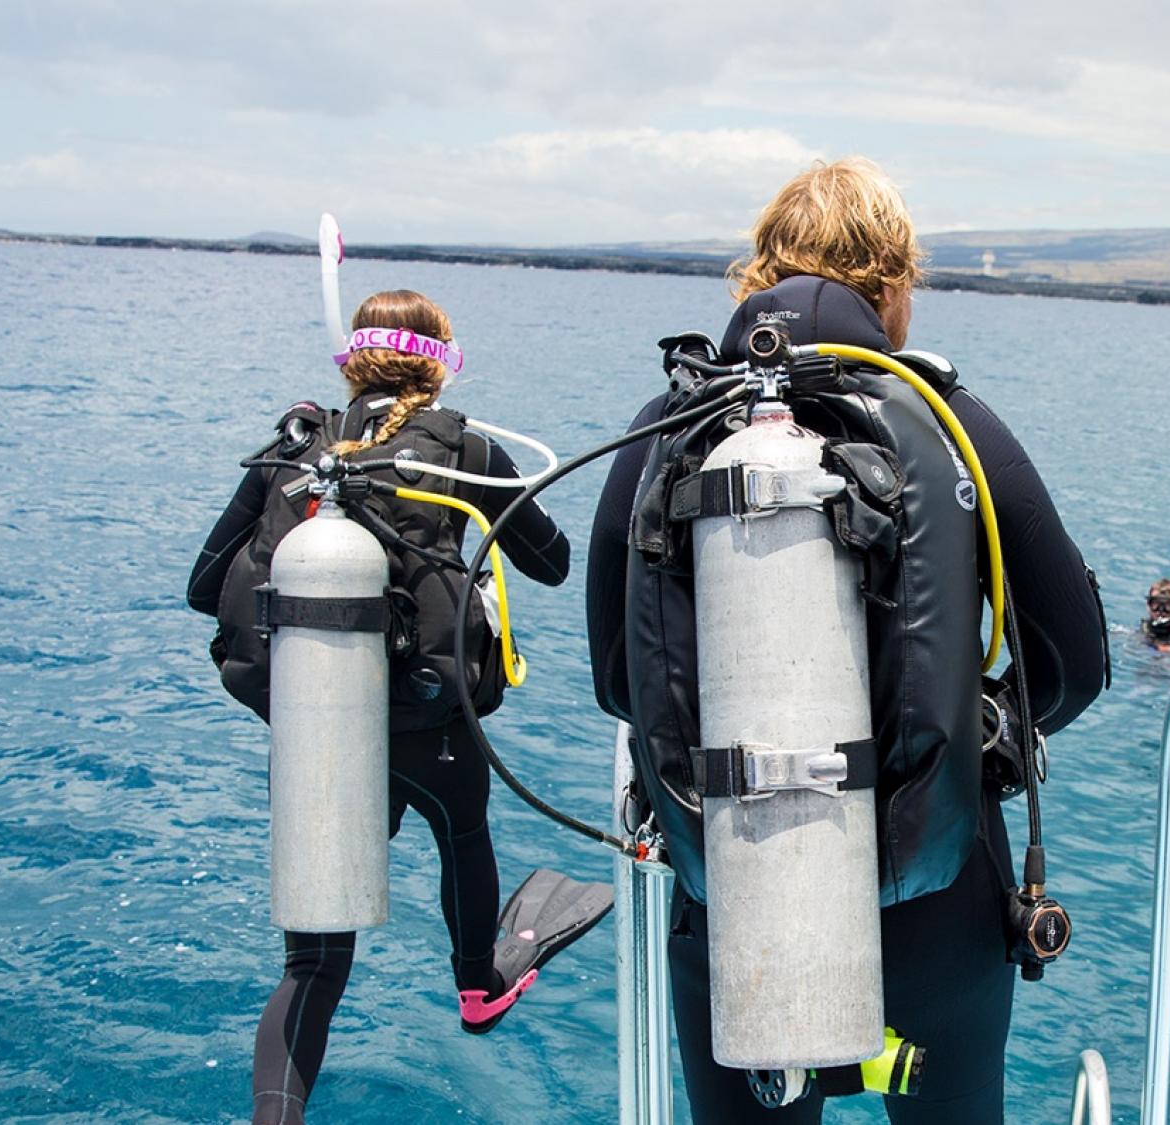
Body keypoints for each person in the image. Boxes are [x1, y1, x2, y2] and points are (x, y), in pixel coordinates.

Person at [586, 158, 1108, 1124]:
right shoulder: (952, 422)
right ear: (894, 284)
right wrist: (970, 721)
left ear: (756, 275)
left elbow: (621, 678)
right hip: (938, 900)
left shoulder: (671, 426)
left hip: (738, 893)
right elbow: (1075, 664)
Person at [187, 290, 605, 1125]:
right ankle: (477, 985)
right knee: (463, 837)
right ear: (440, 362)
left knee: (312, 966)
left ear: (355, 361)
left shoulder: (297, 449)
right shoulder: (462, 451)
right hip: (427, 727)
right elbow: (554, 562)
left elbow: (205, 589)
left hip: (312, 728)